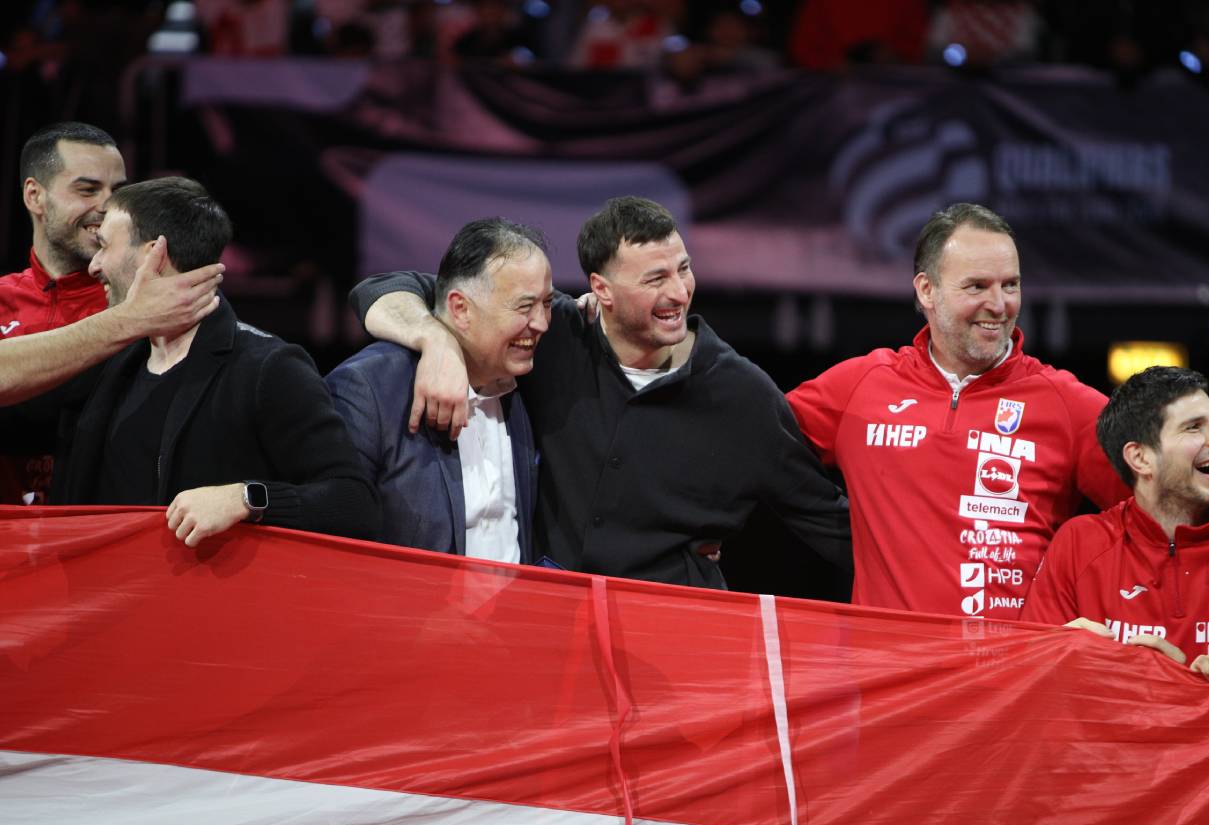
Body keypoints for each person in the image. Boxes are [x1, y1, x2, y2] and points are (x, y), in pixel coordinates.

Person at [786, 203, 1209, 616]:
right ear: (926, 290)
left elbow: (1176, 491)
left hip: (1016, 682)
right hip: (894, 683)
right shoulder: (861, 386)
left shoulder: (1065, 404)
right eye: (976, 286)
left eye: (1011, 285)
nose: (999, 304)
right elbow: (754, 434)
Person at [347, 196, 851, 589]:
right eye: (655, 279)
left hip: (669, 647)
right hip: (546, 642)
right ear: (601, 290)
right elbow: (387, 289)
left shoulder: (743, 394)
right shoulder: (549, 336)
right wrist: (435, 340)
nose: (679, 293)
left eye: (683, 269)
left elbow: (831, 525)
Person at [1, 177, 377, 546]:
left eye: (103, 246)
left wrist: (247, 498)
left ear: (153, 254)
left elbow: (353, 503)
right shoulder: (104, 364)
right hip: (96, 587)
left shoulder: (269, 368)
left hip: (204, 589)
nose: (94, 265)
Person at [1021, 367, 1209, 686]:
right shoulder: (1079, 547)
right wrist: (1066, 657)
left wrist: (1192, 684)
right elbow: (1032, 682)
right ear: (1140, 458)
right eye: (1194, 427)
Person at [0, 122, 222, 501]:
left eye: (118, 191)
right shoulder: (140, 311)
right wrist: (129, 320)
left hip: (106, 530)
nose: (106, 205)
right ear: (35, 196)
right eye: (87, 189)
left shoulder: (158, 300)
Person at [326, 219, 549, 562]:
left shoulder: (526, 377)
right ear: (460, 309)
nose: (542, 323)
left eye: (547, 303)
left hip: (517, 597)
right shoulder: (368, 390)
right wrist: (434, 338)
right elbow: (333, 542)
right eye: (524, 307)